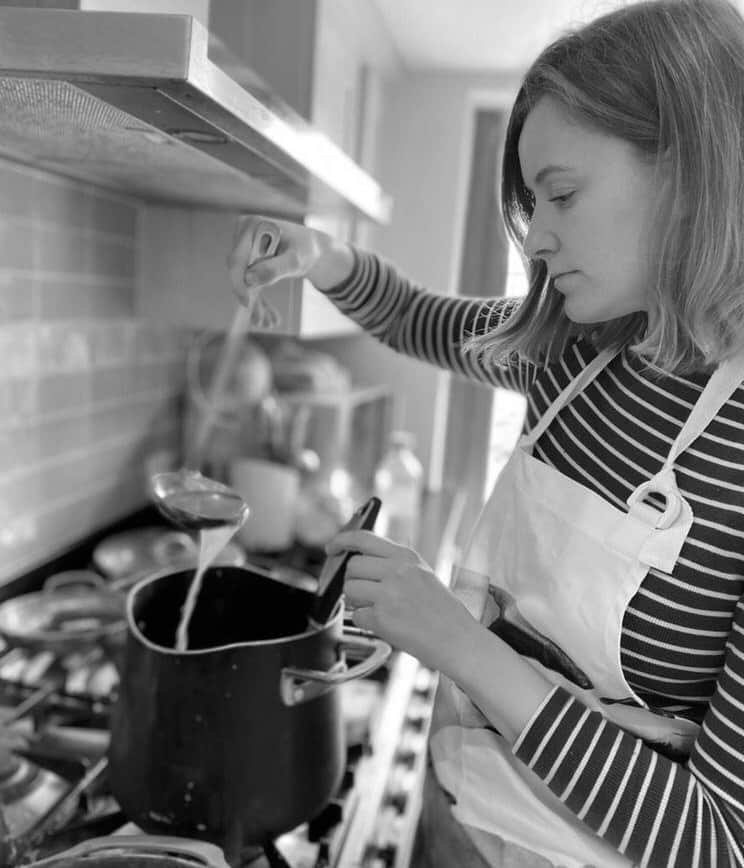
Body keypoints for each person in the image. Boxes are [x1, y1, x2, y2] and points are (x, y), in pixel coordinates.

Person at [228, 1, 744, 864]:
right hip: (452, 810)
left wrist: (455, 640)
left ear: (693, 170)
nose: (536, 238)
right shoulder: (577, 358)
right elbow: (409, 316)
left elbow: (717, 839)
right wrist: (316, 254)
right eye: (532, 200)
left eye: (563, 195)